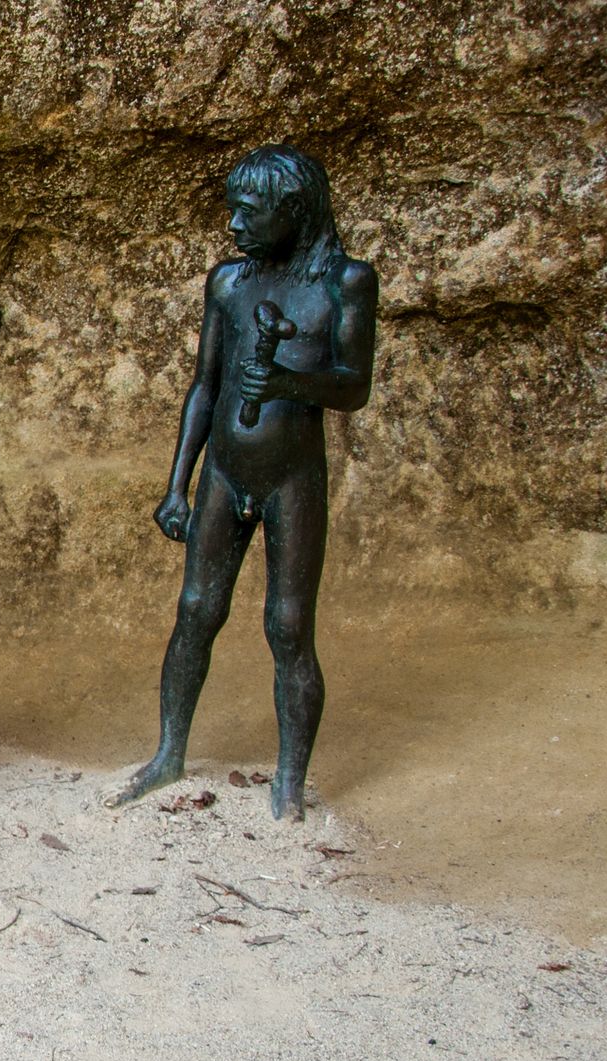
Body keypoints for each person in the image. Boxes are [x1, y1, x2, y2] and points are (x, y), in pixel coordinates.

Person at [107, 146, 377, 821]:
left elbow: (354, 387)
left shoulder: (344, 283)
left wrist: (290, 382)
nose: (234, 225)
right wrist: (178, 486)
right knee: (196, 609)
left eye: (250, 213)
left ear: (293, 211)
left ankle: (289, 779)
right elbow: (204, 388)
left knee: (288, 626)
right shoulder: (229, 284)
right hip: (226, 471)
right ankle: (169, 751)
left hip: (292, 476)